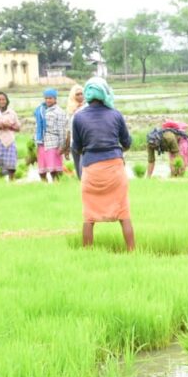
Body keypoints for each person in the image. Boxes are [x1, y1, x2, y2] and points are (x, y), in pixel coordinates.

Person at [71, 76, 134, 251]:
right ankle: (132, 252)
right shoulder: (116, 115)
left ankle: (88, 253)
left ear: (88, 94)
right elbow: (127, 142)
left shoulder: (78, 117)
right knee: (124, 213)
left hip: (91, 170)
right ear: (105, 92)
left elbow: (76, 147)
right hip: (115, 169)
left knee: (89, 217)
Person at [35, 88, 67, 182]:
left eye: (50, 98)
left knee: (54, 170)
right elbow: (37, 127)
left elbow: (62, 130)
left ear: (55, 99)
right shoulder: (41, 110)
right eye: (46, 98)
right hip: (41, 143)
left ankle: (57, 187)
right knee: (42, 171)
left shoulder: (59, 112)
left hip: (53, 144)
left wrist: (62, 146)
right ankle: (44, 188)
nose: (48, 100)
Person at [0, 92, 21, 180]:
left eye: (3, 99)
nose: (1, 101)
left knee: (11, 165)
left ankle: (11, 181)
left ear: (7, 101)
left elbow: (18, 128)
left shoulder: (11, 113)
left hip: (8, 141)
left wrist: (9, 126)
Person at [65, 85, 86, 178]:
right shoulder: (70, 110)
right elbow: (68, 129)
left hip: (85, 142)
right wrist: (66, 147)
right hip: (74, 143)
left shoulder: (87, 108)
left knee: (85, 169)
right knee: (78, 170)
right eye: (77, 94)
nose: (80, 96)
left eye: (82, 94)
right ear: (73, 96)